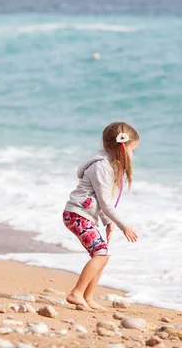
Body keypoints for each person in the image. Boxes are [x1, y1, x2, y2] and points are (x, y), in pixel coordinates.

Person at [62, 122, 140, 311]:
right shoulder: (101, 167)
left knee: (101, 255)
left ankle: (87, 298)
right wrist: (124, 225)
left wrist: (107, 222)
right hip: (77, 215)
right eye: (133, 150)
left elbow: (100, 198)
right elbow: (105, 202)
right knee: (101, 254)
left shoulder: (107, 164)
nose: (133, 155)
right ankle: (76, 293)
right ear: (122, 148)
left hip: (83, 215)